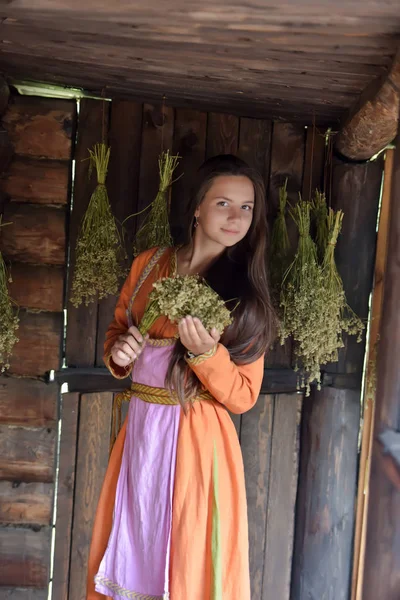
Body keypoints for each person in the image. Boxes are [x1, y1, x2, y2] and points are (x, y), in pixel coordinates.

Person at [87, 154, 276, 600]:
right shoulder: (150, 265)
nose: (236, 217)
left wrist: (207, 354)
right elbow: (119, 332)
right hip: (140, 435)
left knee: (186, 558)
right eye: (224, 204)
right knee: (130, 543)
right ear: (196, 207)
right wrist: (121, 353)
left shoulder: (244, 293)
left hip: (195, 442)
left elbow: (244, 396)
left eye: (246, 207)